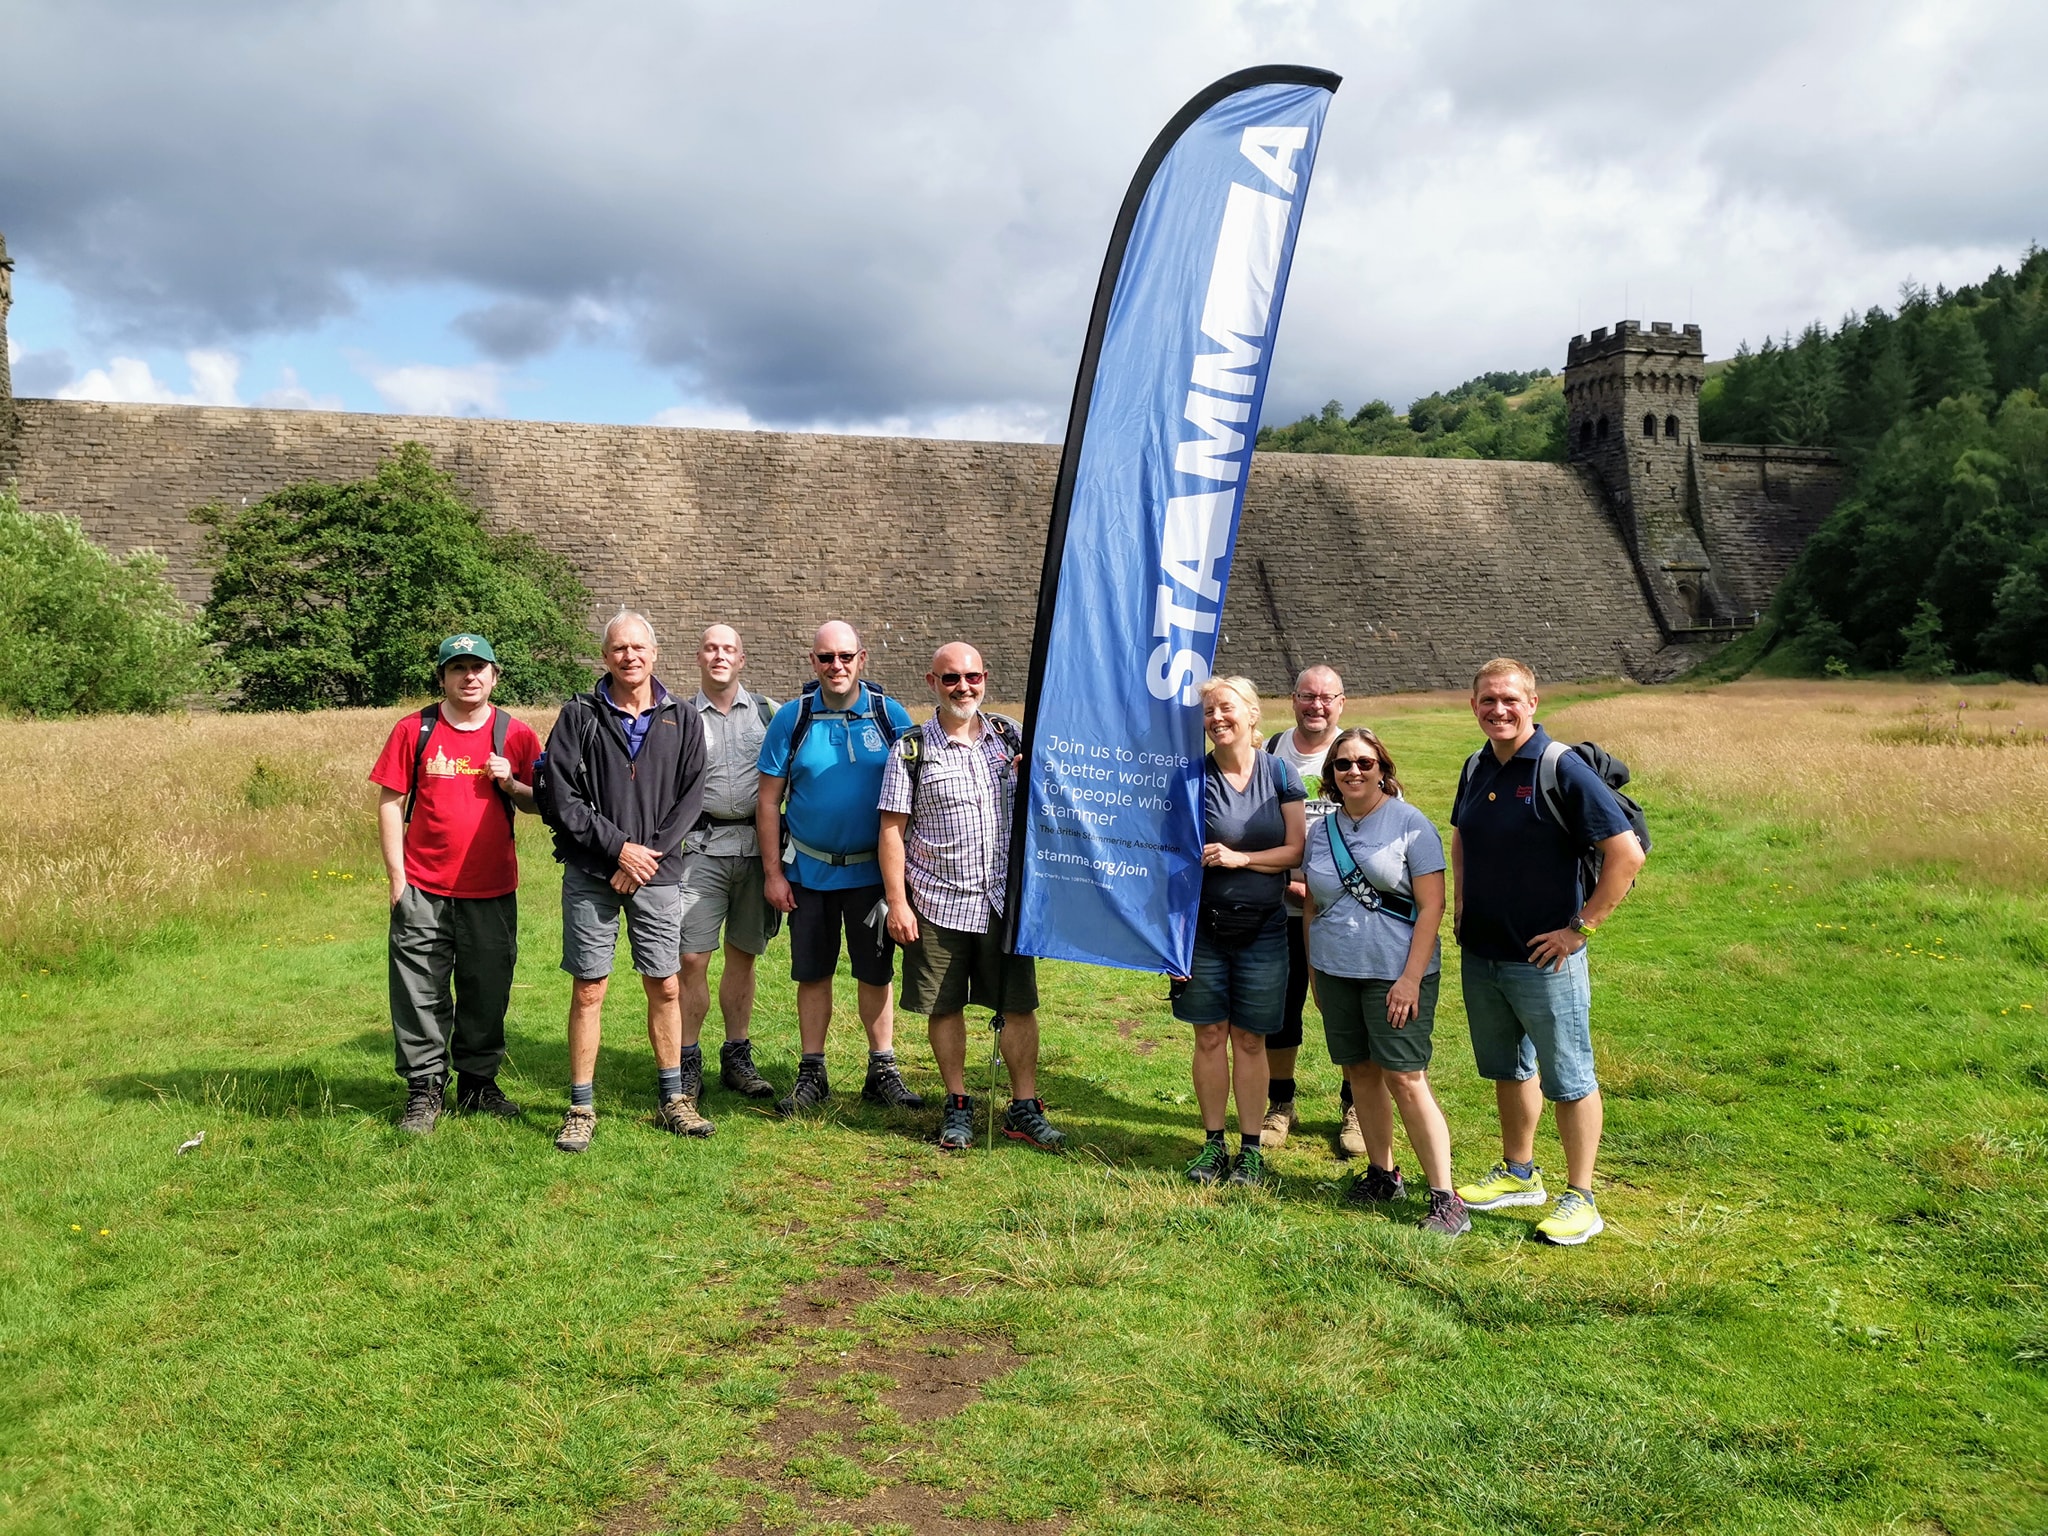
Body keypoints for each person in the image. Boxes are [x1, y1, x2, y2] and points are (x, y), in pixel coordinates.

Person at [1450, 657, 1646, 1245]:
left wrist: (1580, 929)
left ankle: (1581, 1197)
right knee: (1510, 1070)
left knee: (1570, 1075)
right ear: (1474, 706)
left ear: (1533, 702)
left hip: (1547, 959)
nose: (1499, 710)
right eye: (1488, 700)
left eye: (1510, 699)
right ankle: (1518, 1173)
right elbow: (1461, 835)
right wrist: (1462, 906)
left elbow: (1627, 854)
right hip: (1484, 954)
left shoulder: (1560, 767)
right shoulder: (1474, 766)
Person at [878, 643, 1062, 1153]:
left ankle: (1023, 1106)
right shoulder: (911, 749)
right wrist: (898, 902)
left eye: (973, 677)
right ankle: (957, 1103)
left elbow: (1046, 805)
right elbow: (892, 829)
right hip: (937, 900)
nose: (964, 687)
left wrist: (1035, 780)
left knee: (1018, 1006)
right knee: (945, 1004)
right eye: (952, 678)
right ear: (931, 681)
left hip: (1003, 900)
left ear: (986, 678)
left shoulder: (1008, 736)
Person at [540, 611, 709, 1152]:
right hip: (593, 872)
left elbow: (691, 798)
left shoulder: (682, 718)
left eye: (638, 647)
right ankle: (581, 1106)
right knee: (590, 987)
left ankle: (673, 1100)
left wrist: (644, 859)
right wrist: (618, 851)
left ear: (655, 653)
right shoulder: (578, 715)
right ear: (605, 655)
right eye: (618, 648)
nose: (629, 656)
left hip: (658, 874)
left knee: (665, 983)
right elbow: (560, 797)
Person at [369, 634, 540, 1134]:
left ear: (495, 676)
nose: (469, 676)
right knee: (418, 991)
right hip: (423, 886)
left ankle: (477, 1085)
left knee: (487, 989)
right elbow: (389, 803)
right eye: (458, 668)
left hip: (491, 888)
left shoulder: (516, 734)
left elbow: (540, 802)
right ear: (442, 677)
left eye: (478, 667)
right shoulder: (413, 730)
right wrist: (397, 879)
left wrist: (511, 783)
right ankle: (424, 1088)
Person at [1300, 727, 1466, 1234]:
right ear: (1330, 775)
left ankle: (1445, 1198)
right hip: (1335, 970)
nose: (1353, 771)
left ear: (1383, 769)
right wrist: (1314, 973)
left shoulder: (1410, 824)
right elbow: (1312, 903)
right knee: (1360, 1073)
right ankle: (1381, 1173)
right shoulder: (1320, 830)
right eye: (1343, 764)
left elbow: (1432, 905)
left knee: (1405, 1079)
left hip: (1394, 974)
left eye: (1364, 763)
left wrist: (1411, 978)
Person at [756, 621, 923, 1116]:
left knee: (875, 974)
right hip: (808, 873)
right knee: (813, 973)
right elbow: (768, 803)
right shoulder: (793, 718)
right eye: (826, 658)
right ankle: (813, 1072)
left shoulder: (888, 714)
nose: (837, 666)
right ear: (813, 663)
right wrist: (773, 873)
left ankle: (882, 1069)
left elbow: (917, 790)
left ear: (862, 658)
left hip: (872, 875)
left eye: (845, 656)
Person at [1172, 675, 1307, 1188]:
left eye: (1226, 709)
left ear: (1252, 715)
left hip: (1265, 931)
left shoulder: (1280, 773)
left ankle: (1250, 1150)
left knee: (1250, 1039)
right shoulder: (1189, 778)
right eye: (1208, 713)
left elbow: (1295, 851)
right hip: (1202, 931)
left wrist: (1240, 858)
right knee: (1209, 1036)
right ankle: (1212, 1146)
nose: (1217, 719)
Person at [678, 625, 780, 1101]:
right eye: (711, 648)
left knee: (744, 955)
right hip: (699, 850)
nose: (720, 656)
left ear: (742, 659)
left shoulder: (771, 714)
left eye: (729, 650)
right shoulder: (676, 717)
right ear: (698, 657)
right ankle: (685, 1059)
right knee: (691, 957)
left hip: (759, 851)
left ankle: (737, 1056)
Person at [1260, 664, 1349, 1154]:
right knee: (1281, 1010)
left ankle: (1354, 1104)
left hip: (1343, 911)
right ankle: (1281, 1102)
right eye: (1308, 696)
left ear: (1342, 702)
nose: (1317, 705)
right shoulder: (1271, 752)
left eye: (1327, 697)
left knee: (1345, 1009)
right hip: (1280, 908)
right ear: (1292, 699)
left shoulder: (1356, 752)